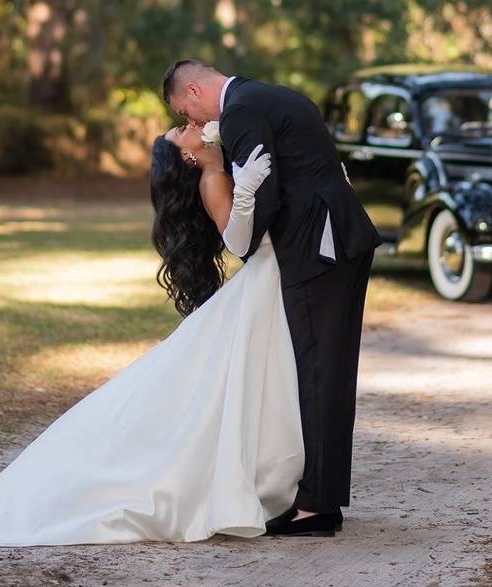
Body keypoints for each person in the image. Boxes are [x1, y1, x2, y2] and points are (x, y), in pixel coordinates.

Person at [0, 123, 320, 545]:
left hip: (268, 283)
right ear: (188, 159)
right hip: (264, 279)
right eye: (184, 130)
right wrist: (249, 187)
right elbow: (239, 243)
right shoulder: (211, 180)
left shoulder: (218, 173)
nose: (193, 127)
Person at [163, 60, 383, 536]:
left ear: (197, 90)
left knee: (320, 372)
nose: (195, 125)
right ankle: (320, 498)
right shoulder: (279, 95)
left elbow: (258, 211)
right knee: (330, 370)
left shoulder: (242, 112)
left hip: (314, 251)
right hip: (340, 239)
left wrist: (242, 202)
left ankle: (316, 507)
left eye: (189, 113)